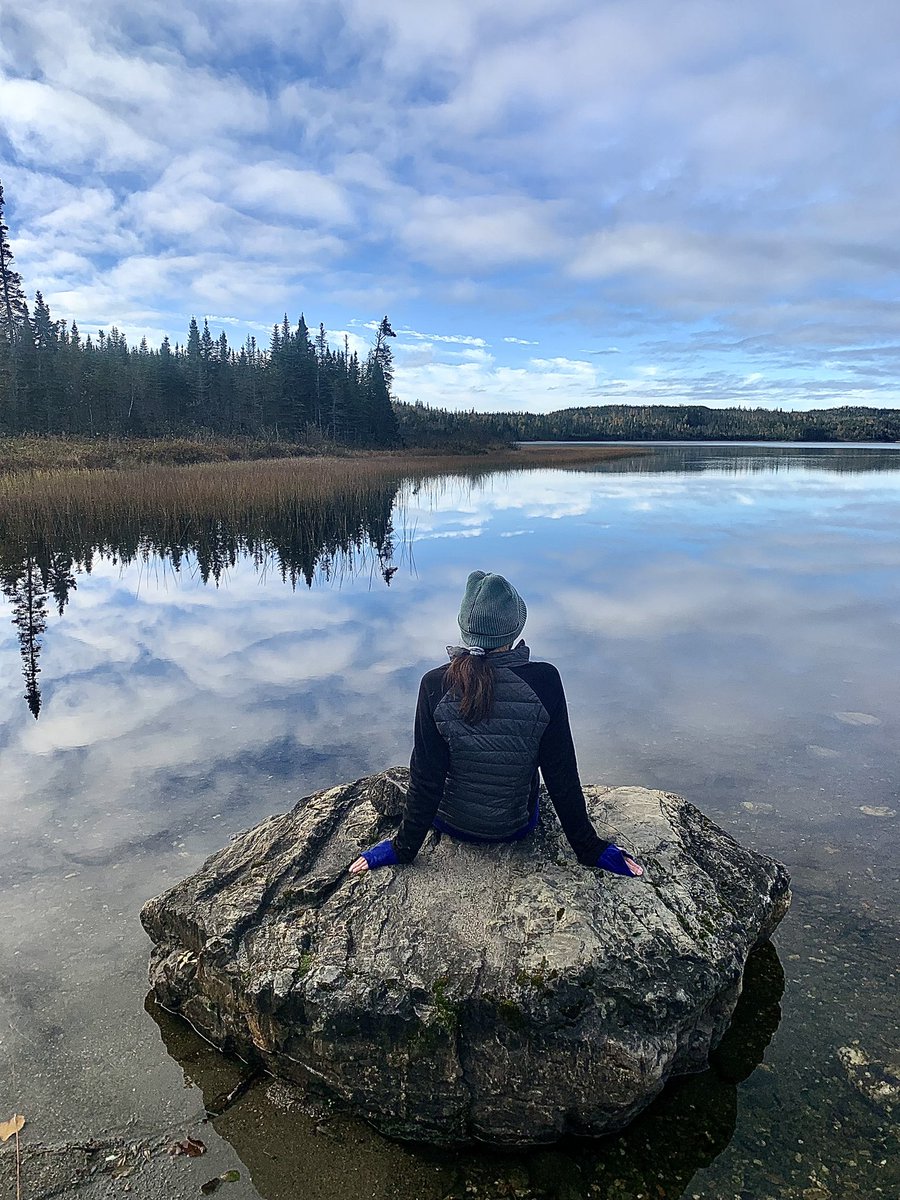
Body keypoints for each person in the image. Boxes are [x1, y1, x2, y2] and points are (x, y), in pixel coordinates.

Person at [349, 570, 643, 878]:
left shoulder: (434, 684)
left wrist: (402, 848)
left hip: (450, 822)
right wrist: (589, 848)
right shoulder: (545, 681)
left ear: (464, 628)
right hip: (514, 827)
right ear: (515, 627)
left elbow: (427, 777)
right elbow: (560, 773)